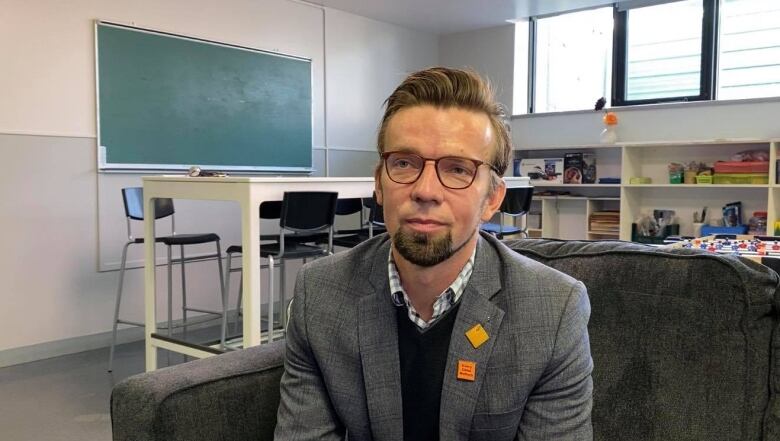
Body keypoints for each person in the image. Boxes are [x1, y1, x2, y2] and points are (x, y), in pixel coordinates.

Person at [274, 67, 593, 441]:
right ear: (379, 183)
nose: (425, 190)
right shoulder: (321, 295)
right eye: (405, 163)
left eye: (458, 169)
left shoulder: (553, 311)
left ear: (492, 198)